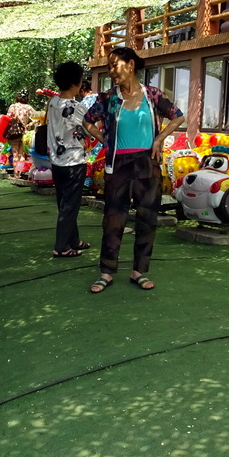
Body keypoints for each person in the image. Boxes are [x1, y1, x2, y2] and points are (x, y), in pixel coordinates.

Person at [82, 47, 185, 293]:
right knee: (113, 219)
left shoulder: (152, 95)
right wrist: (103, 138)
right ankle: (106, 271)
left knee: (147, 217)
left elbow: (178, 117)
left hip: (147, 162)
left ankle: (139, 270)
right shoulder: (108, 98)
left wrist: (159, 139)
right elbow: (86, 119)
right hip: (117, 164)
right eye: (108, 67)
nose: (111, 71)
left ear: (130, 65)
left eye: (114, 65)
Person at [47, 62, 92, 258]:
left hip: (56, 160)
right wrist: (108, 141)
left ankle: (73, 240)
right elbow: (91, 128)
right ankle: (62, 246)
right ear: (76, 83)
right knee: (70, 206)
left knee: (64, 203)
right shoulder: (76, 106)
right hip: (74, 162)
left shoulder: (53, 103)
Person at [5, 90, 36, 170]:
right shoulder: (29, 107)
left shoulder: (13, 106)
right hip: (24, 133)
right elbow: (37, 118)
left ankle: (16, 174)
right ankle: (20, 171)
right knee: (21, 155)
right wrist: (29, 124)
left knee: (15, 154)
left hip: (14, 132)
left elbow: (7, 118)